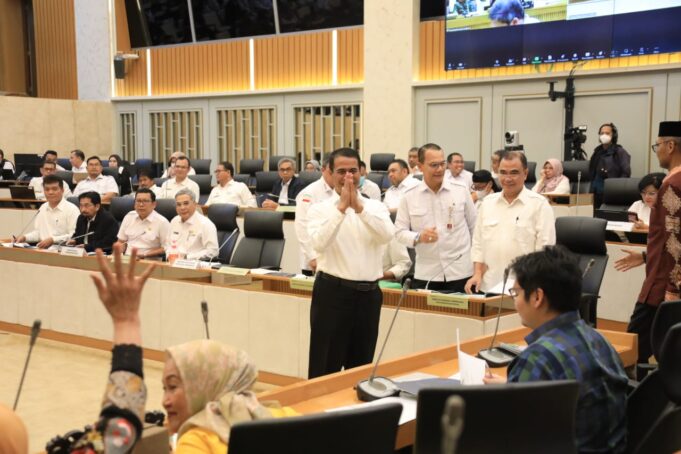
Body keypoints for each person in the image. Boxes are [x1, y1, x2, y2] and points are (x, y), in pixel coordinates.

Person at [484, 246, 628, 453]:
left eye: (515, 292)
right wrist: (514, 385)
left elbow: (510, 439)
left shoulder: (536, 359)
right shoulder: (598, 339)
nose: (514, 301)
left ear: (537, 297)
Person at [306, 147, 395, 378]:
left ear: (361, 172)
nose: (348, 177)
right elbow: (318, 243)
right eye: (342, 171)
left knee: (361, 368)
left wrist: (359, 209)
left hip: (368, 296)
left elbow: (387, 235)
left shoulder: (375, 206)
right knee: (325, 367)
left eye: (353, 170)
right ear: (330, 173)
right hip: (331, 294)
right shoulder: (319, 209)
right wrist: (342, 208)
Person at [615, 121, 681, 370]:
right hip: (664, 279)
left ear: (671, 145)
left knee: (629, 352)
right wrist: (645, 256)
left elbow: (675, 241)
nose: (658, 150)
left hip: (662, 288)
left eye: (658, 145)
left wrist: (672, 292)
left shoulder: (672, 185)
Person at [465, 150, 555, 293]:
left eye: (514, 172)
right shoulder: (487, 203)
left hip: (524, 288)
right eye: (503, 172)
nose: (507, 178)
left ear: (525, 174)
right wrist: (477, 273)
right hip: (488, 285)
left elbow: (545, 251)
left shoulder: (539, 205)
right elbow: (478, 244)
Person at [396, 143, 477, 292]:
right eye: (434, 165)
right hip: (427, 274)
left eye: (442, 164)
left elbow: (475, 229)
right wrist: (419, 237)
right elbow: (399, 233)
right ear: (420, 166)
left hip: (461, 272)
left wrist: (477, 269)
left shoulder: (460, 190)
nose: (440, 169)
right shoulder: (409, 196)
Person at [294, 157, 334, 275]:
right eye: (331, 171)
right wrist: (312, 256)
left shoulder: (341, 190)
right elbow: (302, 226)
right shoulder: (309, 193)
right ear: (323, 170)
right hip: (314, 259)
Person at [15, 175, 79, 248]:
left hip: (62, 250)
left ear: (62, 190)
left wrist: (53, 240)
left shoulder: (72, 209)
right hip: (42, 249)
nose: (50, 192)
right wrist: (24, 237)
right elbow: (39, 233)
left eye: (54, 189)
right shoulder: (43, 208)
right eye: (47, 189)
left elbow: (74, 236)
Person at [116, 188, 170, 259]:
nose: (141, 204)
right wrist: (115, 254)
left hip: (149, 262)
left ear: (154, 204)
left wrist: (145, 255)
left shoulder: (162, 222)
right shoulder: (129, 216)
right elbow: (120, 241)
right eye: (138, 201)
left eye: (145, 201)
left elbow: (166, 248)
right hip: (127, 259)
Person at [166, 189, 219, 261]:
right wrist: (169, 255)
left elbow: (213, 251)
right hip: (172, 263)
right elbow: (168, 244)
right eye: (178, 204)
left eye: (186, 203)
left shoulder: (205, 224)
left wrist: (187, 258)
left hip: (194, 265)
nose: (182, 208)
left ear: (195, 204)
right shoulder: (174, 221)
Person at [589, 123, 631, 206]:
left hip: (611, 193)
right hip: (595, 193)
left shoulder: (620, 152)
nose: (604, 135)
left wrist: (616, 188)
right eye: (602, 133)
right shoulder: (597, 152)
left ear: (613, 136)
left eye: (607, 133)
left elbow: (626, 173)